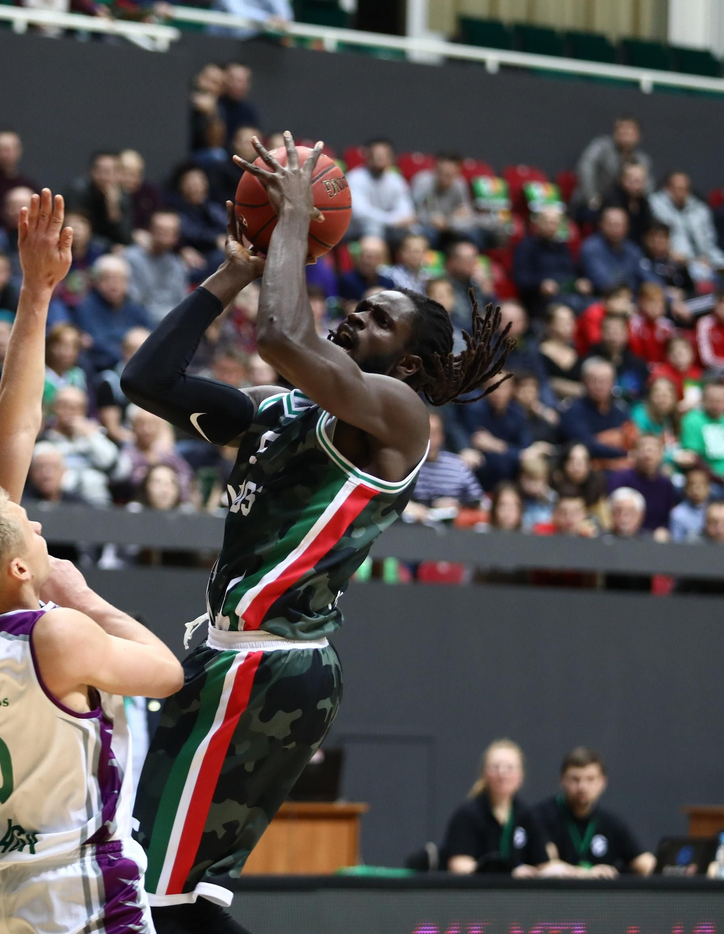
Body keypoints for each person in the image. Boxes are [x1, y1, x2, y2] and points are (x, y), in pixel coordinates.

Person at [124, 135, 511, 930]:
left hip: (272, 663)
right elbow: (146, 379)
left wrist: (295, 217)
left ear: (407, 365)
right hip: (230, 657)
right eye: (358, 307)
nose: (356, 317)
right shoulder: (278, 410)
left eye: (379, 321)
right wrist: (231, 275)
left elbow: (280, 339)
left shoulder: (398, 414)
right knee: (164, 894)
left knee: (156, 898)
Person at [0, 189, 182, 932]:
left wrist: (35, 293)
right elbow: (166, 673)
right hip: (82, 886)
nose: (35, 521)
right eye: (28, 529)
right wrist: (85, 597)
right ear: (18, 569)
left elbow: (15, 429)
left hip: (7, 889)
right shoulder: (58, 633)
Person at [533, 747, 655, 877]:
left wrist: (665, 868)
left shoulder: (611, 822)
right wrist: (585, 874)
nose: (582, 787)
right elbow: (546, 865)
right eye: (575, 779)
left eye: (590, 779)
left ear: (602, 782)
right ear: (562, 780)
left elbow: (644, 862)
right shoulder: (542, 816)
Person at [441, 740, 549, 876]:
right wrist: (508, 873)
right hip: (479, 888)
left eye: (509, 768)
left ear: (520, 775)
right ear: (484, 773)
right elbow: (459, 864)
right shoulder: (467, 814)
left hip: (520, 889)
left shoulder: (527, 816)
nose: (502, 774)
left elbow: (542, 864)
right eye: (495, 767)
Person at [346, 139, 416, 242]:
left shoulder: (396, 179)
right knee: (373, 240)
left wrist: (401, 220)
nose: (379, 158)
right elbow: (360, 213)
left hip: (392, 231)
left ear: (391, 157)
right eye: (376, 154)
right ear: (367, 156)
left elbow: (406, 210)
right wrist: (392, 220)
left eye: (384, 154)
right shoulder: (354, 178)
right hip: (360, 232)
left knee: (415, 240)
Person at [574, 117, 651, 208]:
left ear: (638, 136)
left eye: (630, 132)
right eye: (623, 131)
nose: (626, 135)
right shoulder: (602, 147)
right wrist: (591, 196)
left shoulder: (641, 159)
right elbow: (586, 166)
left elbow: (648, 185)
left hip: (624, 207)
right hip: (593, 201)